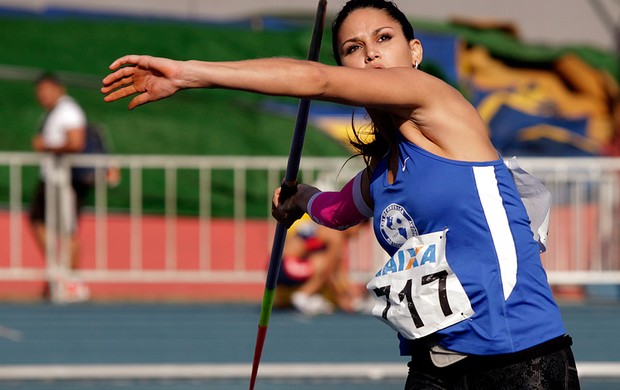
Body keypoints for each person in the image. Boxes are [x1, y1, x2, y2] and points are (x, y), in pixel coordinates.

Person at [100, 0, 580, 388]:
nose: (370, 54)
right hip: (437, 365)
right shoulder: (382, 176)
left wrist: (191, 73)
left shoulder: (439, 103)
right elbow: (336, 210)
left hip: (519, 358)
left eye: (383, 39)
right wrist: (301, 200)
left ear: (414, 51)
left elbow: (318, 80)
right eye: (353, 48)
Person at [31, 72, 90, 302]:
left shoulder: (68, 110)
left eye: (46, 90)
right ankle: (59, 270)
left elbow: (76, 142)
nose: (42, 96)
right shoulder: (53, 112)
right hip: (51, 177)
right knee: (39, 220)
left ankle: (72, 280)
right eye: (40, 92)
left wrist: (47, 146)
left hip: (65, 179)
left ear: (58, 89)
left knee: (68, 228)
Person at [275, 215, 366, 315]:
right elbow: (330, 271)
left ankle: (303, 295)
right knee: (324, 263)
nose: (357, 235)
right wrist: (343, 299)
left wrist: (349, 294)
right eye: (359, 230)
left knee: (326, 261)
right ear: (354, 224)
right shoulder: (335, 236)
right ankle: (303, 295)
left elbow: (339, 269)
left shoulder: (327, 226)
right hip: (288, 268)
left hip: (278, 268)